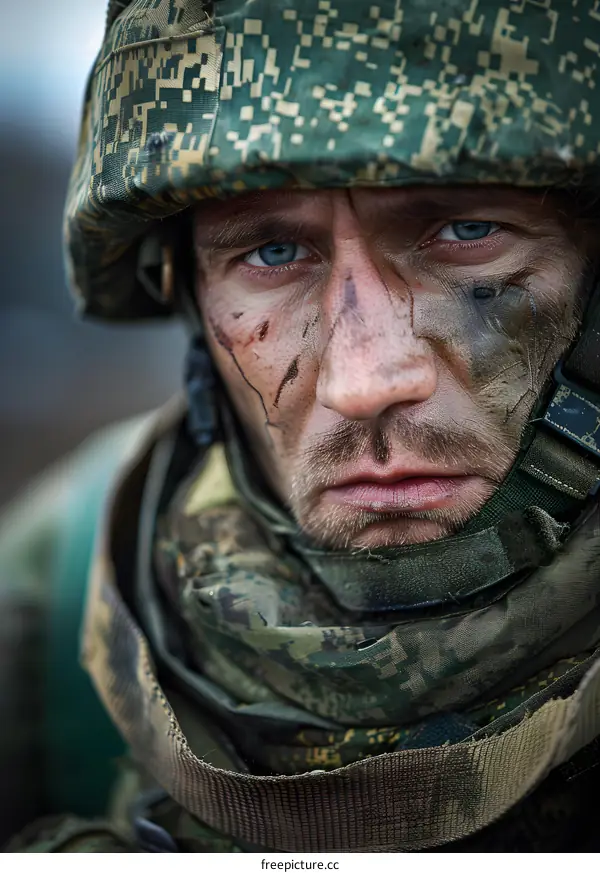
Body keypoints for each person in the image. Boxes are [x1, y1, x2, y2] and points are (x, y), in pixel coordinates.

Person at [3, 0, 600, 853]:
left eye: (468, 230)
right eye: (272, 254)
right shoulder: (46, 598)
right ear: (189, 296)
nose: (366, 382)